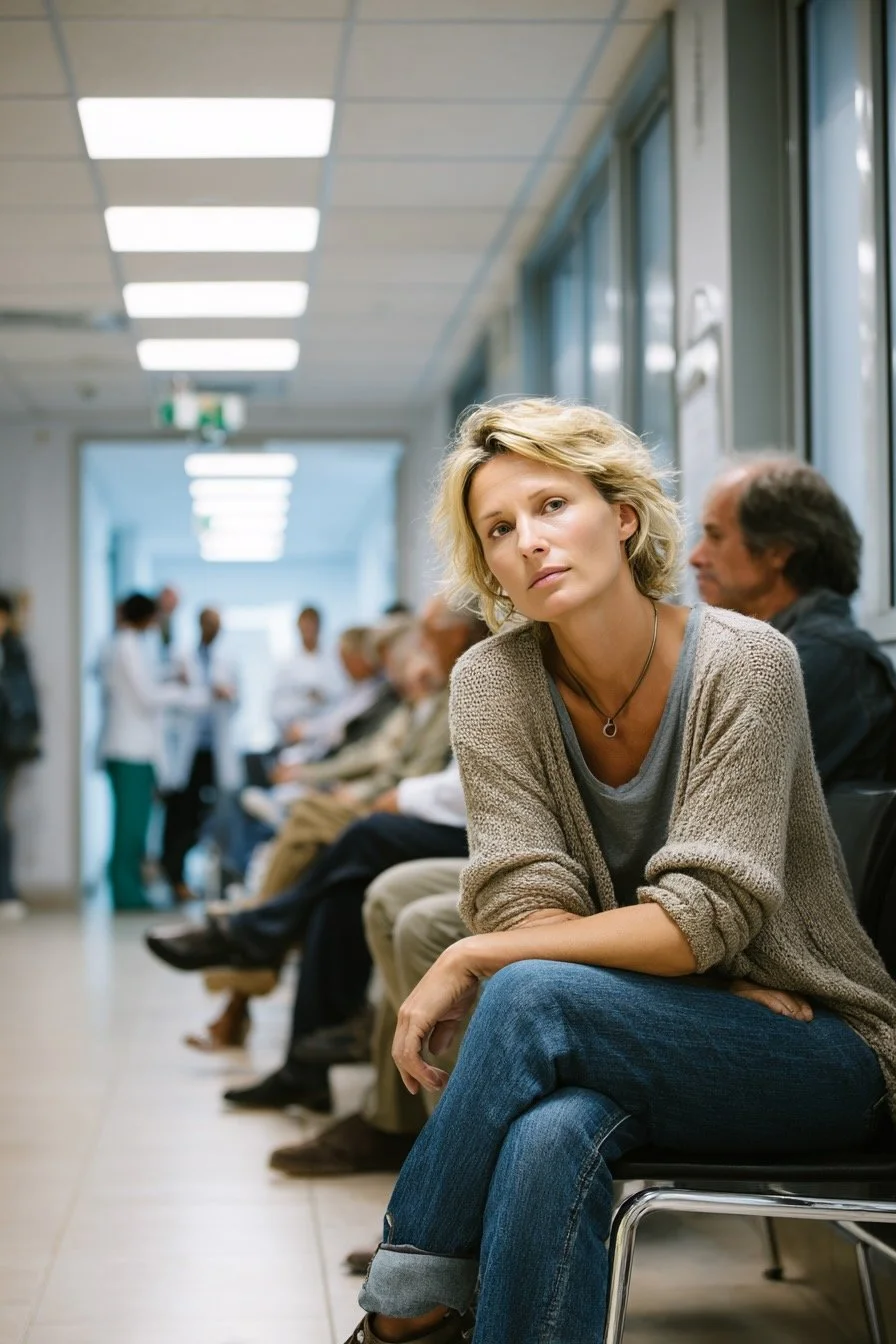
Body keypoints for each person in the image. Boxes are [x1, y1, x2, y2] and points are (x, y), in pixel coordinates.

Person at [339, 399, 896, 1344]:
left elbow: (698, 919)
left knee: (524, 995)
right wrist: (688, 973)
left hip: (822, 1045)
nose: (530, 543)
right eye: (500, 529)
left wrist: (479, 955)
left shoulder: (748, 662)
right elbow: (528, 899)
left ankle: (400, 1317)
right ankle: (416, 1314)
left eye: (553, 505)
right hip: (662, 1024)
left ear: (623, 515)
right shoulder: (493, 681)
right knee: (551, 1130)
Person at [145, 766, 470, 1114]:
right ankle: (304, 1071)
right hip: (439, 812)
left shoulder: (450, 712)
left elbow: (455, 777)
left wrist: (399, 794)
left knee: (354, 836)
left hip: (465, 826)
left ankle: (250, 940)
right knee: (338, 893)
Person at [690, 458, 896, 784]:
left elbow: (722, 802)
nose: (696, 557)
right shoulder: (783, 654)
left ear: (777, 551)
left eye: (715, 536)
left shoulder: (829, 662)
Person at [100, 593, 214, 912]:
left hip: (138, 751)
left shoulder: (133, 644)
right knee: (130, 828)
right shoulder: (125, 644)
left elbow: (147, 683)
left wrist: (170, 679)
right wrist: (183, 691)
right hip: (129, 750)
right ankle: (126, 894)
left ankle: (131, 888)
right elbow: (146, 695)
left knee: (137, 826)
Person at [160, 607, 239, 903]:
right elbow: (174, 699)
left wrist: (227, 695)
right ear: (199, 625)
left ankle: (220, 880)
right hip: (186, 753)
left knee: (212, 820)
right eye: (208, 624)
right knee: (181, 817)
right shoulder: (181, 657)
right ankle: (175, 878)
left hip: (215, 753)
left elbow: (236, 702)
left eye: (217, 625)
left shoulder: (227, 661)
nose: (212, 629)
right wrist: (208, 694)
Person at [0, 592, 41, 919]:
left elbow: (27, 697)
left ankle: (5, 892)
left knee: (2, 821)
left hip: (6, 747)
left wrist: (29, 737)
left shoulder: (14, 650)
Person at [270, 606, 343, 741]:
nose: (308, 630)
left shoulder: (335, 660)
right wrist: (304, 702)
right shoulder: (287, 665)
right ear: (298, 628)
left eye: (312, 625)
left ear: (319, 627)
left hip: (329, 733)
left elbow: (343, 697)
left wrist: (322, 697)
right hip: (297, 735)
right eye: (305, 626)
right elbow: (277, 707)